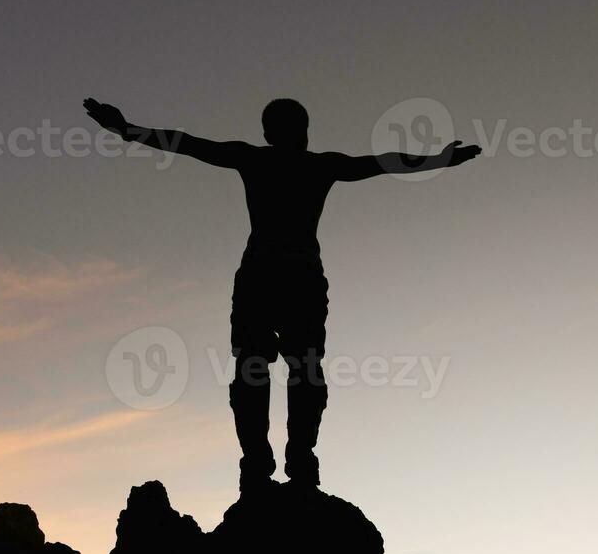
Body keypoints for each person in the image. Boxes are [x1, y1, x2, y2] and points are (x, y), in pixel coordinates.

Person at [83, 96, 480, 490]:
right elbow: (380, 163)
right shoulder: (310, 164)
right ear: (293, 132)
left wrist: (127, 130)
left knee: (268, 368)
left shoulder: (263, 160)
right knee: (289, 368)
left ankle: (273, 460)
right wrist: (436, 160)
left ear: (270, 133)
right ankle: (282, 459)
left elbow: (185, 142)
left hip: (269, 276)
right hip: (292, 277)